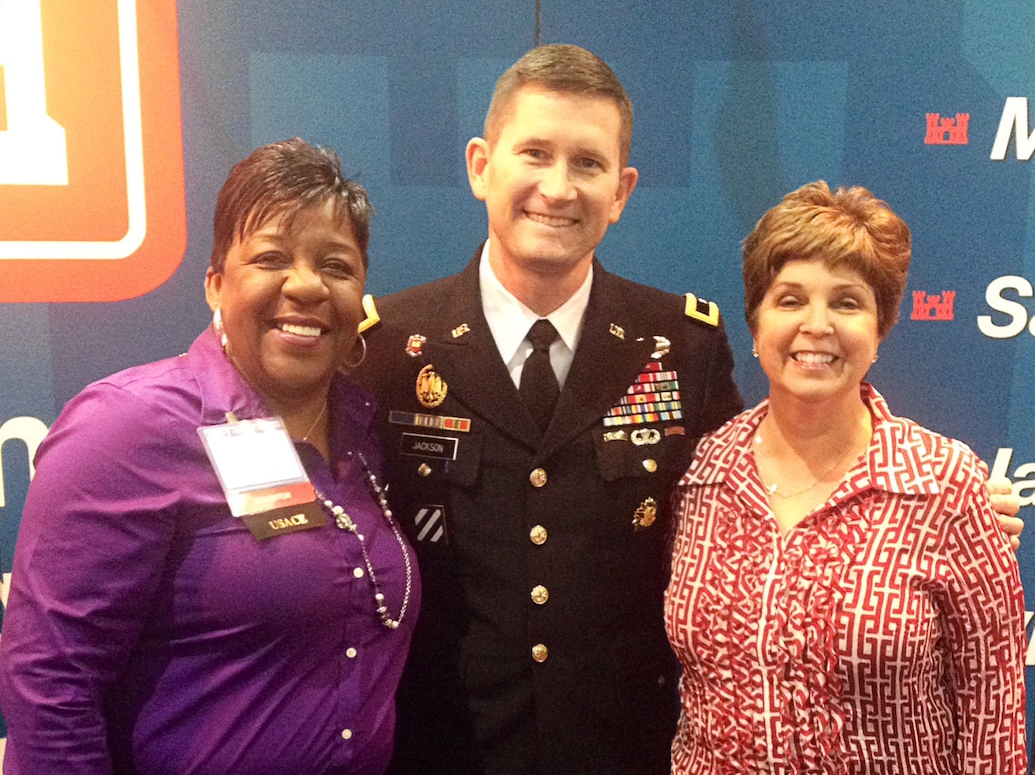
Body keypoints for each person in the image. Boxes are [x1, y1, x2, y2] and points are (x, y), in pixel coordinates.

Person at [357, 46, 1023, 774]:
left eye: (587, 163)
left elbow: (767, 473)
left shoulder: (676, 345)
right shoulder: (389, 346)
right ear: (481, 164)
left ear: (621, 190)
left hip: (621, 754)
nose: (558, 187)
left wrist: (943, 496)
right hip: (447, 752)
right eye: (535, 153)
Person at [0, 138, 419, 774]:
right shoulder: (127, 427)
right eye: (272, 257)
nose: (306, 285)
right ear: (216, 284)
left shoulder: (362, 430)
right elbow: (50, 684)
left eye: (336, 265)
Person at [664, 181, 1027, 773]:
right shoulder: (701, 473)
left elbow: (993, 709)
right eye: (789, 300)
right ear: (755, 326)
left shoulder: (946, 485)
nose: (817, 325)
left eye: (847, 302)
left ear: (880, 330)